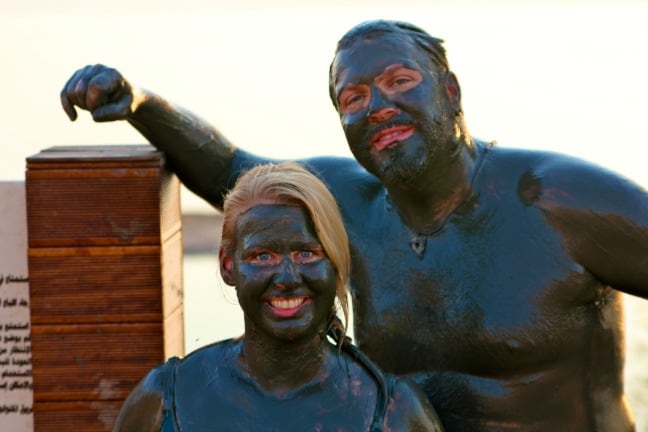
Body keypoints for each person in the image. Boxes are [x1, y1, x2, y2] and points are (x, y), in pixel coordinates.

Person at [62, 20, 648, 432]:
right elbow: (228, 169)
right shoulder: (346, 203)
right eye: (354, 97)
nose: (377, 106)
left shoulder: (556, 200)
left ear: (450, 92)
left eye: (400, 81)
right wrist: (140, 104)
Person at [111, 161, 443, 432]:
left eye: (307, 253)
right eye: (262, 256)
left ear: (338, 261)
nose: (286, 278)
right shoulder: (165, 400)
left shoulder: (393, 413)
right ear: (229, 266)